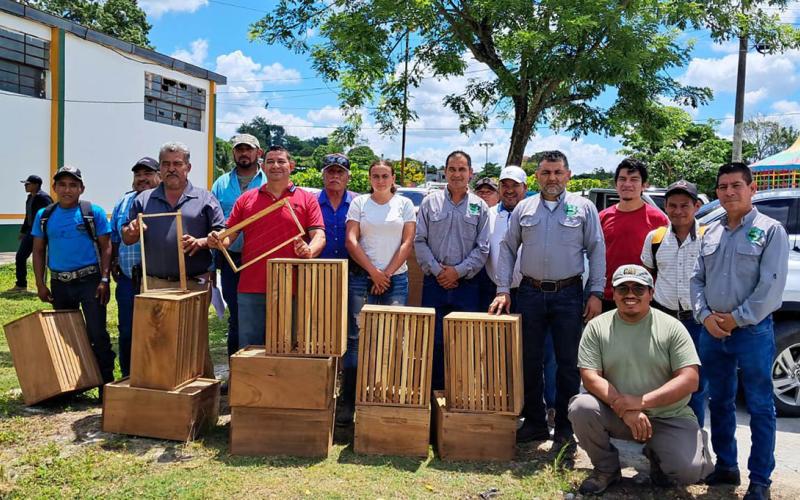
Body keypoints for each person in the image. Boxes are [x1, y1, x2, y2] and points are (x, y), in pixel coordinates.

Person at [490, 150, 604, 446]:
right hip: (529, 292)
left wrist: (595, 292)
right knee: (529, 360)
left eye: (557, 172)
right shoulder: (524, 209)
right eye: (545, 172)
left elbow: (596, 249)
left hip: (569, 294)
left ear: (568, 175)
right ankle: (536, 423)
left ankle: (566, 428)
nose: (551, 178)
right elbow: (507, 248)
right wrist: (503, 289)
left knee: (568, 363)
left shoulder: (583, 208)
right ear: (536, 177)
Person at [569, 265, 712, 495]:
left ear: (651, 293)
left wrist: (640, 402)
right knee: (581, 407)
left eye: (638, 288)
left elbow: (690, 380)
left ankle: (664, 454)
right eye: (622, 288)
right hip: (619, 414)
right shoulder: (597, 327)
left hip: (668, 416)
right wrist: (626, 408)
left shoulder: (672, 327)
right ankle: (606, 469)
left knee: (689, 472)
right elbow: (589, 376)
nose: (630, 294)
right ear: (613, 293)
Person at [691, 162, 788, 500]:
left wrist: (736, 319)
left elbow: (771, 287)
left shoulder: (771, 230)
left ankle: (760, 479)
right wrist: (705, 316)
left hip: (752, 333)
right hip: (712, 331)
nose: (729, 192)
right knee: (719, 401)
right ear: (716, 192)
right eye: (723, 187)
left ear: (751, 189)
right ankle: (727, 466)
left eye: (736, 185)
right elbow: (697, 279)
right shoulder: (710, 230)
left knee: (761, 405)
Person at [208, 145, 326, 348]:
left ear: (292, 165)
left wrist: (309, 250)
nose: (276, 166)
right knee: (250, 349)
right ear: (263, 165)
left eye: (281, 161)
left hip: (294, 286)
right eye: (270, 162)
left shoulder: (307, 199)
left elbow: (319, 236)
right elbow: (229, 236)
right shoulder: (246, 199)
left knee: (289, 348)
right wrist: (218, 240)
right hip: (251, 286)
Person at [338, 159, 416, 425]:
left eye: (385, 176)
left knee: (394, 338)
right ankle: (348, 402)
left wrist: (387, 274)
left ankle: (388, 398)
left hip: (396, 279)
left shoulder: (404, 204)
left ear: (393, 178)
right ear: (369, 178)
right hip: (362, 278)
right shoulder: (360, 203)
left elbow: (407, 242)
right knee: (356, 339)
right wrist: (374, 272)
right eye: (375, 176)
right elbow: (351, 240)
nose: (380, 180)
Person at [31, 166, 116, 387]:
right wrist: (40, 284)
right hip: (60, 283)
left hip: (90, 281)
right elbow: (38, 250)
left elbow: (106, 247)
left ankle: (105, 383)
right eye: (62, 185)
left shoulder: (92, 212)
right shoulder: (44, 215)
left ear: (81, 188)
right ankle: (74, 383)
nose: (67, 190)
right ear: (55, 187)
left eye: (73, 185)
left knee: (97, 333)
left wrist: (105, 280)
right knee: (67, 336)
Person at [415, 150, 489, 391]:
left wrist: (457, 271)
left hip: (467, 286)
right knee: (433, 343)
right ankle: (433, 397)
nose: (457, 174)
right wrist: (439, 272)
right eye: (452, 169)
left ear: (471, 173)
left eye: (462, 169)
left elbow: (483, 248)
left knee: (465, 343)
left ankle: (461, 395)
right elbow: (419, 241)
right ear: (445, 172)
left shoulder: (480, 207)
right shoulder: (429, 202)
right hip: (434, 285)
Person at [640, 180, 707, 426]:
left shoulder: (708, 237)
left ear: (697, 206)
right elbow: (647, 276)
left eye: (684, 205)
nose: (678, 211)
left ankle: (694, 438)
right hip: (663, 319)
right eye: (672, 205)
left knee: (695, 384)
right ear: (665, 207)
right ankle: (658, 442)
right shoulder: (655, 238)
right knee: (659, 381)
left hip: (698, 322)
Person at [122, 142, 226, 293]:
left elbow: (222, 235)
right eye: (166, 164)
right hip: (153, 284)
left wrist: (201, 242)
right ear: (160, 169)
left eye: (177, 163)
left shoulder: (206, 198)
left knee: (193, 319)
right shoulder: (143, 199)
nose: (171, 169)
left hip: (195, 284)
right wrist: (131, 231)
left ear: (188, 167)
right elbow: (126, 237)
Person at [211, 134, 267, 360]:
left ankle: (263, 370)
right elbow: (213, 221)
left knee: (265, 312)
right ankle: (236, 373)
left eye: (248, 149)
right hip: (231, 258)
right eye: (239, 149)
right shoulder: (221, 184)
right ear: (234, 153)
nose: (243, 153)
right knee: (236, 313)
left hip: (262, 259)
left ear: (258, 153)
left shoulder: (267, 182)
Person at [109, 157, 160, 377]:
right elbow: (114, 237)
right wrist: (112, 264)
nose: (142, 179)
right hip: (128, 279)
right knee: (128, 331)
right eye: (138, 175)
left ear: (158, 175)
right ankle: (129, 377)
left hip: (158, 280)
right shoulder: (123, 202)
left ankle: (155, 377)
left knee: (157, 331)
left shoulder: (163, 200)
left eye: (148, 174)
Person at [599, 158, 668, 310]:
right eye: (622, 179)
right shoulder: (602, 217)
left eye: (634, 179)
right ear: (615, 184)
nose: (627, 184)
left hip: (645, 297)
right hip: (609, 295)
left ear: (644, 185)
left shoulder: (658, 219)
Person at [11, 175, 52, 292]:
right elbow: (27, 216)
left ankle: (43, 286)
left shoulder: (44, 198)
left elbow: (48, 216)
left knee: (41, 259)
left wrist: (43, 234)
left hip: (40, 233)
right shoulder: (30, 197)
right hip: (30, 231)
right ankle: (21, 285)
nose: (25, 185)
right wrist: (23, 231)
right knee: (20, 256)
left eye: (28, 184)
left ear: (36, 185)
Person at [317, 153, 357, 259]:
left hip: (353, 270)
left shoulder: (358, 203)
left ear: (348, 177)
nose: (335, 176)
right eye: (331, 171)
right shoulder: (311, 202)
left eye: (340, 172)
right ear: (323, 175)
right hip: (319, 268)